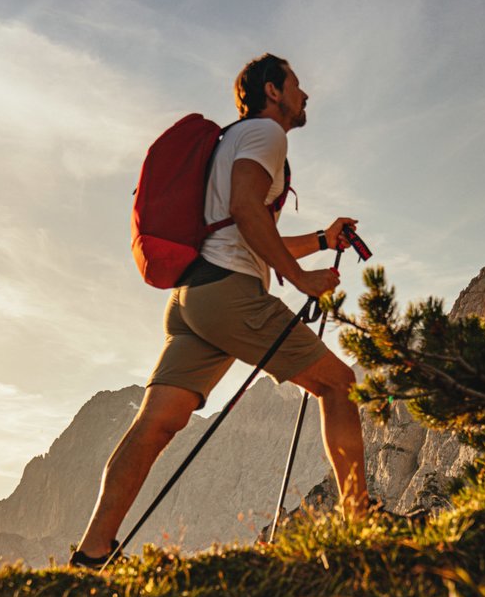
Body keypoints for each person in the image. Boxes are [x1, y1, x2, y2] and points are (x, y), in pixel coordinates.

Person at [71, 53, 370, 567]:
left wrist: (322, 239)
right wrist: (300, 279)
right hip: (230, 294)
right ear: (273, 91)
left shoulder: (232, 138)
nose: (305, 95)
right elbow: (247, 211)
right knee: (339, 385)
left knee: (157, 422)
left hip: (194, 296)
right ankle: (360, 528)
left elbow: (244, 230)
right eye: (297, 85)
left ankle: (92, 552)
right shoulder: (268, 135)